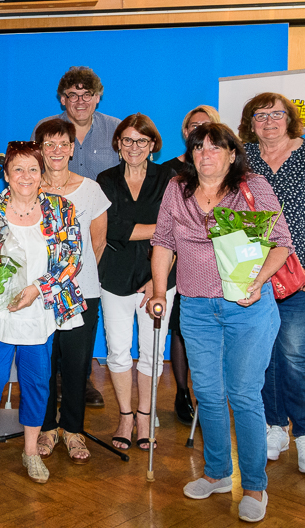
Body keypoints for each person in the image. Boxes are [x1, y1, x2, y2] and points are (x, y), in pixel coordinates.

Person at [150, 123, 293, 524]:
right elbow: (163, 242)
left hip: (247, 307)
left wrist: (259, 281)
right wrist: (161, 291)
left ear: (232, 154)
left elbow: (281, 241)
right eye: (198, 148)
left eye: (216, 147)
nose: (205, 154)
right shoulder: (176, 189)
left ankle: (254, 486)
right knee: (209, 395)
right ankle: (216, 473)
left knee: (244, 394)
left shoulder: (252, 187)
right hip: (196, 308)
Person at [238, 93, 305, 477]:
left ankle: (303, 434)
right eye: (260, 115)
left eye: (276, 114)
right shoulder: (244, 158)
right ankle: (274, 426)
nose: (268, 121)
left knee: (296, 354)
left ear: (290, 119)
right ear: (250, 122)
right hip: (256, 273)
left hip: (304, 272)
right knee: (262, 353)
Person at [0, 141, 84, 484]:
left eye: (33, 168)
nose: (26, 176)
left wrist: (37, 290)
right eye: (18, 168)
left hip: (39, 310)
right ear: (5, 174)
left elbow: (72, 259)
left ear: (42, 173)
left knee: (36, 383)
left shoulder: (61, 209)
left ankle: (31, 450)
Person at [35, 66, 120, 407]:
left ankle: (81, 383)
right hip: (47, 252)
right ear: (62, 99)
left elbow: (98, 241)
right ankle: (50, 386)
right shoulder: (47, 129)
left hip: (99, 239)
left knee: (84, 326)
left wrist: (78, 269)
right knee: (49, 333)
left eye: (87, 95)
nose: (80, 101)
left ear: (97, 97)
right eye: (72, 95)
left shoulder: (115, 129)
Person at [97, 114, 177, 451]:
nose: (134, 147)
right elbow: (113, 229)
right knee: (117, 352)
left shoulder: (170, 179)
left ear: (153, 146)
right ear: (117, 144)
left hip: (159, 279)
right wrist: (161, 228)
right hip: (113, 277)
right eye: (127, 140)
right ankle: (125, 416)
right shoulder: (105, 179)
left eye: (141, 141)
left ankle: (145, 416)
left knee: (152, 354)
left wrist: (156, 279)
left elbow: (180, 230)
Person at [33, 118, 109, 462]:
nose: (57, 151)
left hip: (82, 292)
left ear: (72, 148)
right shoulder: (29, 188)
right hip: (40, 294)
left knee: (77, 364)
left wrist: (70, 278)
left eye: (63, 144)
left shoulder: (90, 189)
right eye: (49, 145)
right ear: (40, 150)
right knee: (44, 363)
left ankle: (74, 430)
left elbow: (98, 242)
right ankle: (47, 428)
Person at [162, 104, 222, 426]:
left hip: (222, 270)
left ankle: (210, 396)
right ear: (185, 133)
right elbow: (162, 228)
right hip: (179, 266)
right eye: (193, 126)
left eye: (206, 125)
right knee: (180, 329)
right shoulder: (170, 172)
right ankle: (182, 392)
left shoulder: (232, 172)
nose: (198, 130)